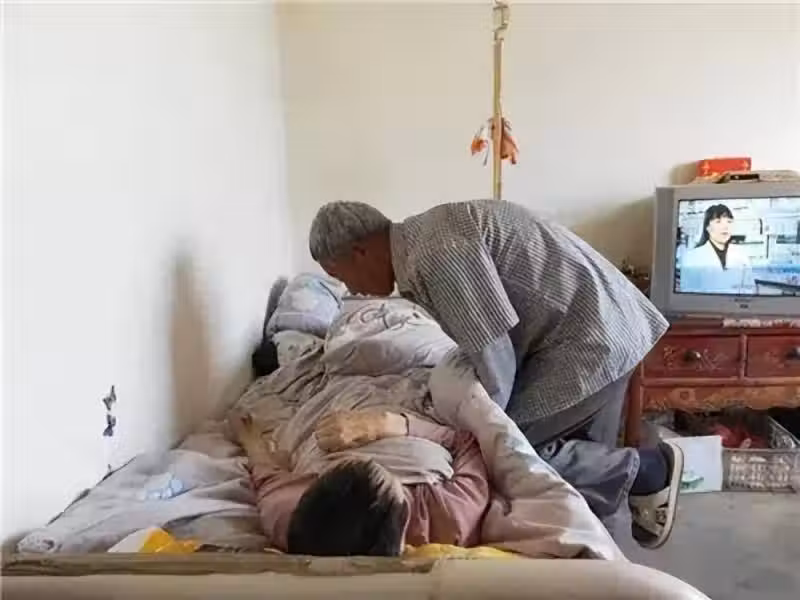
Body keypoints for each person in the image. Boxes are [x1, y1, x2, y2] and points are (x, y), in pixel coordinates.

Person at [307, 199, 684, 549]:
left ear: (360, 251)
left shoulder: (434, 257)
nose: (351, 290)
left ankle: (651, 472)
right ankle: (602, 550)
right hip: (603, 325)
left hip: (591, 339)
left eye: (340, 275)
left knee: (510, 453)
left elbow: (494, 360)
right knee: (587, 478)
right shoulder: (425, 237)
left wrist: (469, 434)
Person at [228, 409, 490, 556]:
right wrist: (392, 423)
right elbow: (466, 441)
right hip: (412, 407)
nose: (357, 453)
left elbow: (267, 474)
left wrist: (252, 442)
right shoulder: (451, 515)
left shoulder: (284, 514)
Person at [680, 203, 754, 294]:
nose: (725, 226)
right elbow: (688, 294)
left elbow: (749, 289)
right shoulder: (692, 257)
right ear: (707, 227)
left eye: (729, 222)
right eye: (718, 222)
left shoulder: (741, 254)